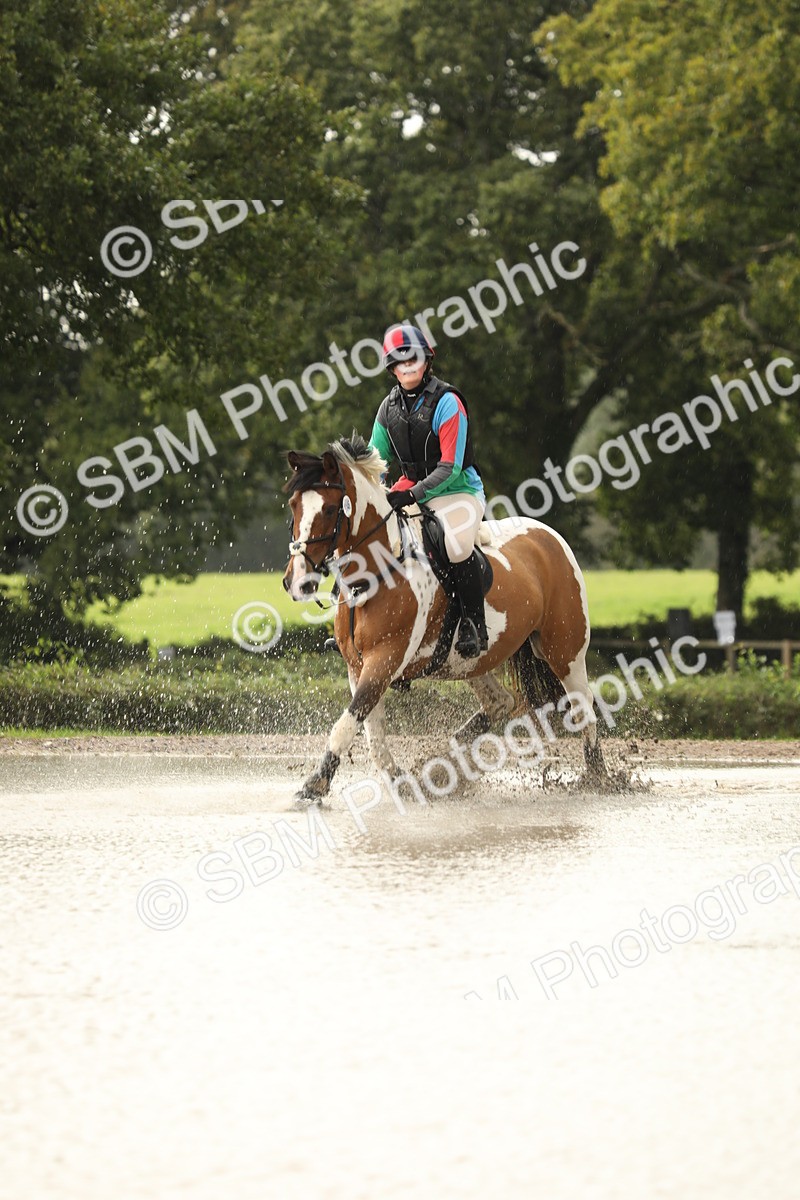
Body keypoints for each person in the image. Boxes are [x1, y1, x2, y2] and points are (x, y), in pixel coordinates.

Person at [368, 323, 488, 658]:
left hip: (458, 490)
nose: (407, 365)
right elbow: (375, 463)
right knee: (375, 538)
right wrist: (374, 491)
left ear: (426, 361)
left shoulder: (448, 402)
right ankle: (365, 627)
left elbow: (449, 467)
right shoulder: (386, 409)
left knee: (457, 545)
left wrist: (413, 493)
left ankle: (472, 624)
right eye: (399, 361)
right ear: (392, 368)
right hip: (411, 490)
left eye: (414, 358)